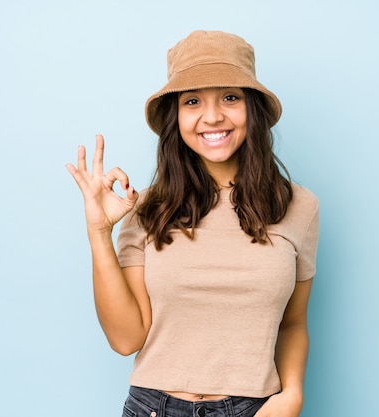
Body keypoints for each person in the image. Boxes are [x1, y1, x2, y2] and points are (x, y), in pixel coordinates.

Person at [66, 30, 319, 417]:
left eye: (230, 97)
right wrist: (100, 233)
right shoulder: (148, 208)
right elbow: (125, 337)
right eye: (193, 101)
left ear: (253, 108)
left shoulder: (298, 206)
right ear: (176, 116)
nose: (213, 116)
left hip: (255, 409)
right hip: (154, 407)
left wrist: (292, 396)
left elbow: (293, 323)